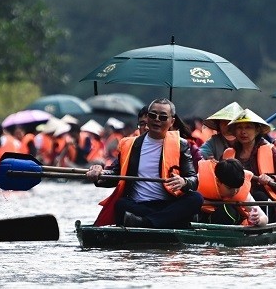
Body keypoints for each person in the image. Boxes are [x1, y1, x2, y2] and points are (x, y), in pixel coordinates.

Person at [86, 98, 203, 228]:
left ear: (172, 121)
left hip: (168, 204)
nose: (157, 119)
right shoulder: (129, 144)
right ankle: (165, 221)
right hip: (140, 205)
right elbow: (115, 174)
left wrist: (184, 182)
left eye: (163, 117)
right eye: (153, 115)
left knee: (196, 198)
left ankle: (146, 222)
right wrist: (99, 174)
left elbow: (193, 179)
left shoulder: (181, 144)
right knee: (121, 204)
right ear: (147, 118)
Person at [227, 108, 276, 222]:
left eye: (248, 127)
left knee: (259, 196)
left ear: (257, 130)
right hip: (237, 198)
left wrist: (271, 179)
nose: (243, 132)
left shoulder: (271, 150)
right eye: (239, 127)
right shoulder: (229, 153)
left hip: (264, 199)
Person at [197, 158, 268, 226]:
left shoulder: (243, 194)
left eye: (237, 188)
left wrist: (258, 220)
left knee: (227, 210)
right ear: (218, 181)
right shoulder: (198, 182)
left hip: (231, 227)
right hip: (202, 222)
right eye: (230, 188)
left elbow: (264, 218)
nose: (235, 192)